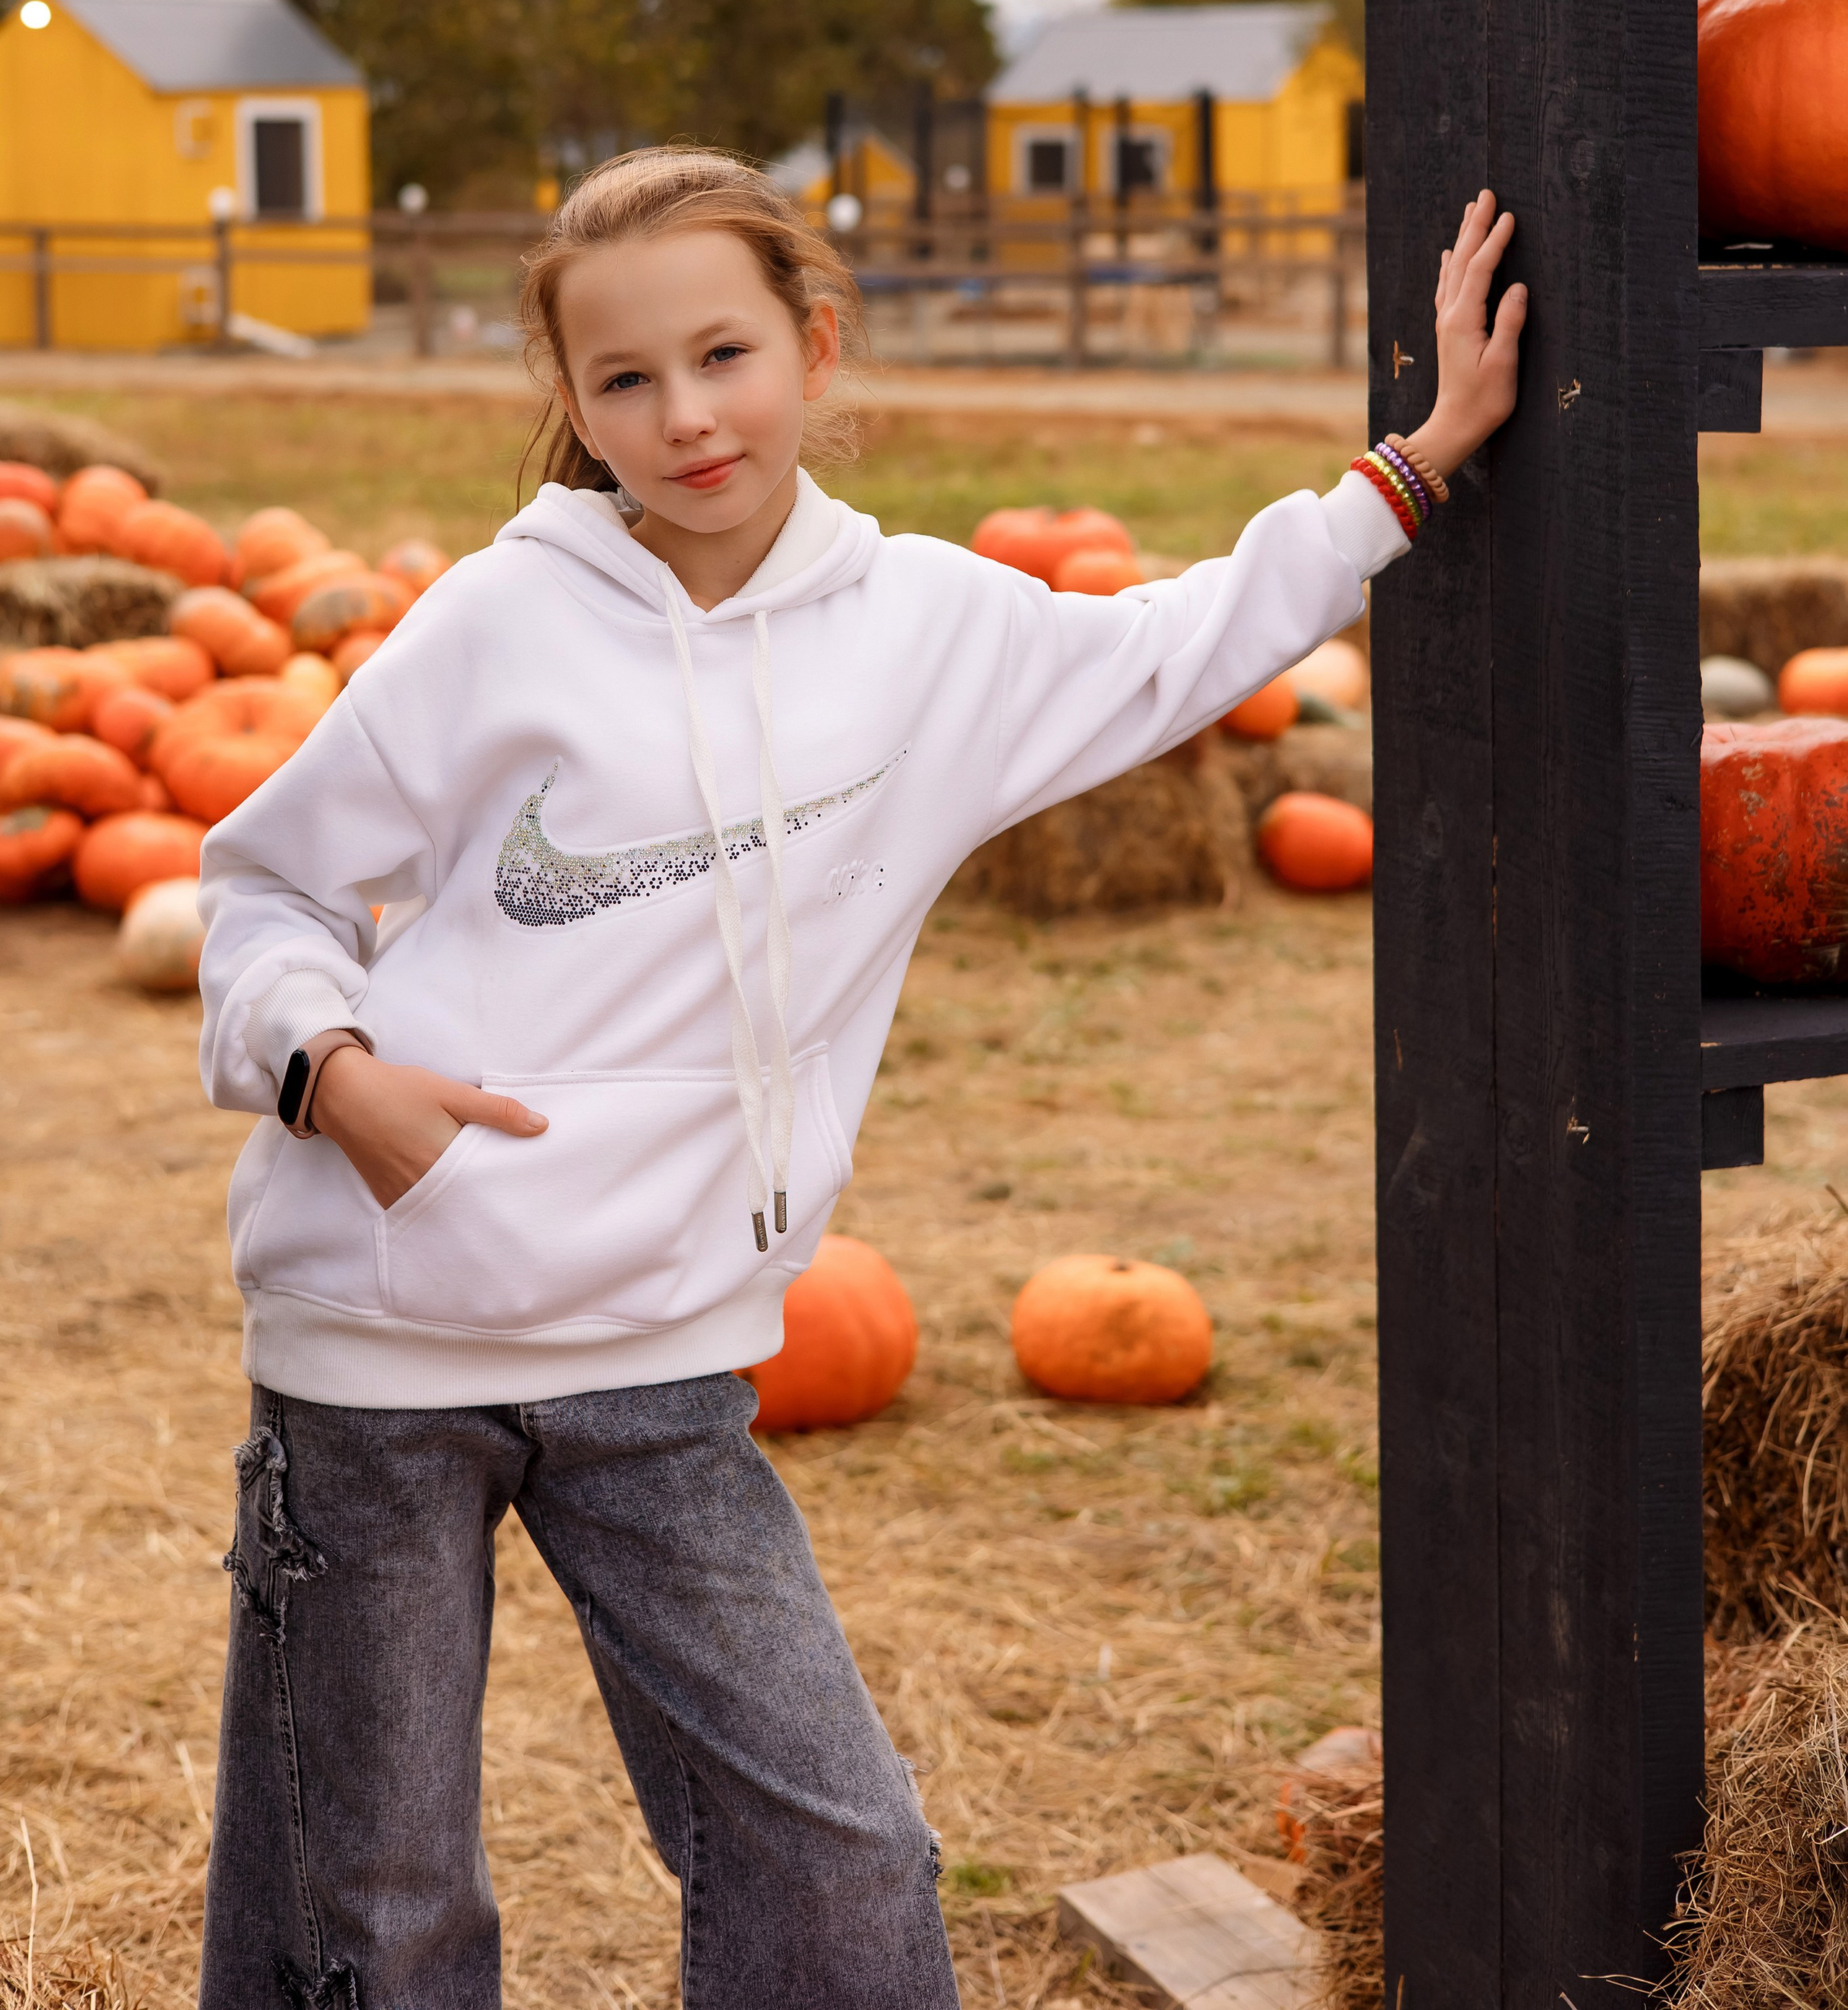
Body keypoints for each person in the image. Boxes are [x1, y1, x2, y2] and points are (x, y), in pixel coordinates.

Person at [194, 150, 1525, 2010]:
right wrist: (334, 1075)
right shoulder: (501, 621)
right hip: (378, 1339)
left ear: (817, 348)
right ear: (573, 407)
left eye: (724, 353)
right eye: (626, 381)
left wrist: (1420, 459)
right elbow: (267, 881)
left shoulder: (935, 634)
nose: (686, 416)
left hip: (662, 1350)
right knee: (378, 1895)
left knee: (834, 1859)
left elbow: (1184, 640)